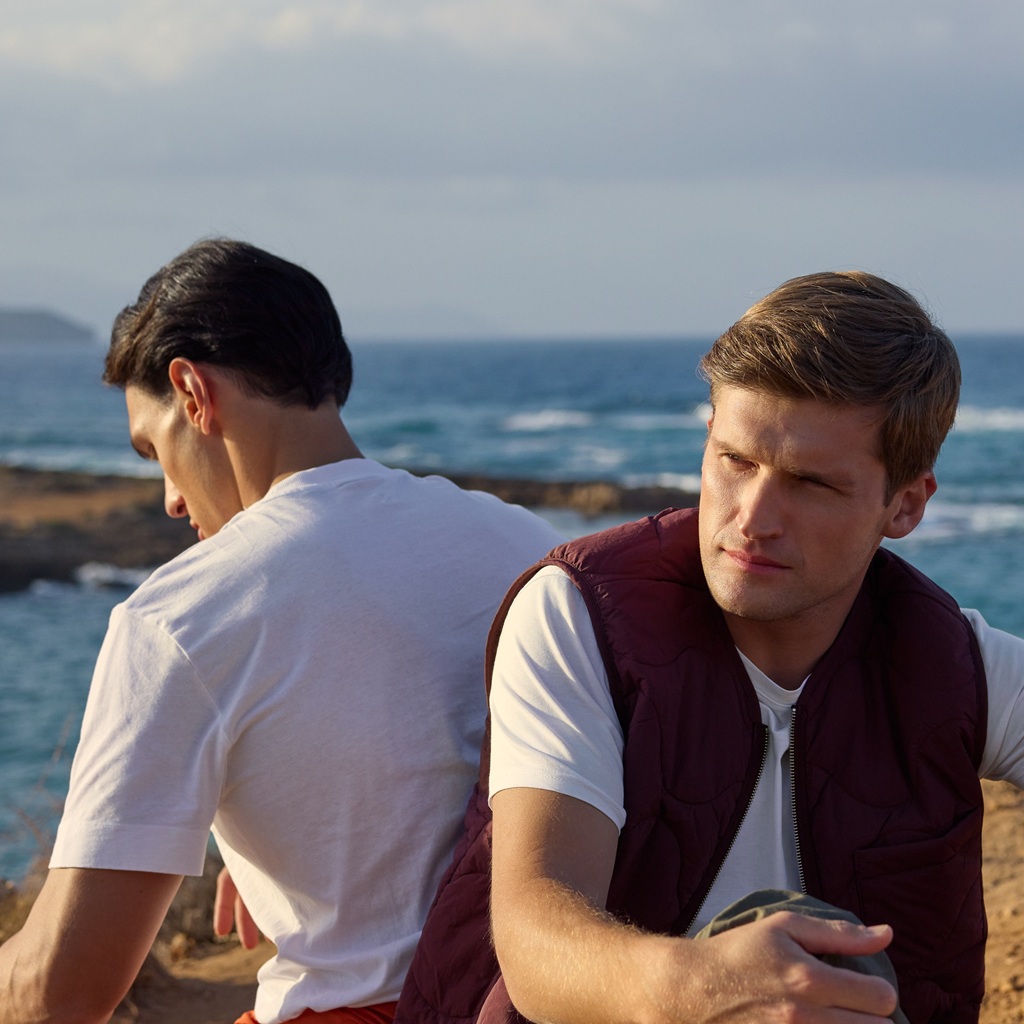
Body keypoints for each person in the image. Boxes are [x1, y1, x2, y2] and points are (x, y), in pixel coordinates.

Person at [395, 271, 1024, 1024]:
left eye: (811, 483)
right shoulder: (581, 614)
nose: (753, 517)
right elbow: (537, 939)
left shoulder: (957, 664)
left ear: (906, 505)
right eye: (735, 460)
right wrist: (705, 989)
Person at [0, 239, 563, 1024]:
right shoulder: (527, 543)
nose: (169, 499)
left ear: (192, 392)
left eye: (155, 449)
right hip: (548, 998)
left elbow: (60, 990)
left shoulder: (182, 614)